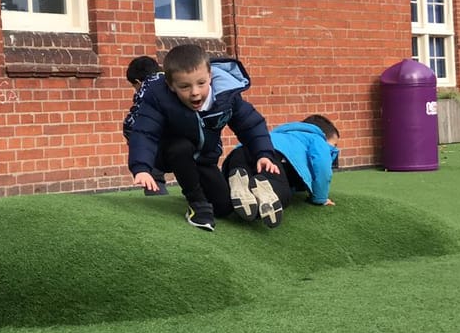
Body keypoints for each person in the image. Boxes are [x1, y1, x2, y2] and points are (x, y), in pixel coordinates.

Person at [127, 44, 280, 231]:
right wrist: (142, 168)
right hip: (171, 152)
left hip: (205, 157)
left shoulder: (226, 96)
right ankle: (197, 204)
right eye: (184, 86)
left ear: (210, 76)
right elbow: (144, 133)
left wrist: (263, 153)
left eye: (201, 83)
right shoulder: (158, 96)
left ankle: (238, 186)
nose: (195, 92)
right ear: (171, 85)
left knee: (223, 207)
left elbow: (250, 124)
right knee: (180, 147)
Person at [223, 114, 340, 226]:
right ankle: (265, 192)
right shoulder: (317, 138)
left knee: (246, 174)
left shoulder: (280, 133)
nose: (334, 149)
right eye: (334, 145)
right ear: (324, 135)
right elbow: (322, 165)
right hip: (270, 157)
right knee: (282, 191)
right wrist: (320, 198)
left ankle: (242, 186)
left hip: (239, 153)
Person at [123, 55, 168, 195]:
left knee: (149, 154)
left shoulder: (147, 87)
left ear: (137, 81)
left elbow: (136, 116)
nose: (135, 90)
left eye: (134, 86)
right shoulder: (171, 79)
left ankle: (155, 189)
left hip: (155, 133)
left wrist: (129, 134)